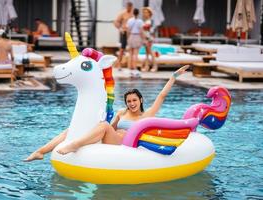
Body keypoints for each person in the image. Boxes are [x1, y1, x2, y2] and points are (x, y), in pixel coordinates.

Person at [24, 65, 190, 162]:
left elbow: (162, 96)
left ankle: (75, 145)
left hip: (125, 143)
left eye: (134, 100)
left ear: (140, 100)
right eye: (129, 101)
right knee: (73, 129)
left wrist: (174, 76)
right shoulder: (121, 112)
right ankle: (41, 151)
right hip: (113, 137)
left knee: (102, 125)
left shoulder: (147, 115)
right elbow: (109, 128)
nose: (131, 104)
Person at [114, 2, 133, 71]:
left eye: (130, 7)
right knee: (122, 49)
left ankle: (130, 65)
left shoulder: (133, 13)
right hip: (124, 32)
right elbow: (116, 22)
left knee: (132, 49)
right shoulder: (122, 13)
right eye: (128, 7)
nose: (129, 8)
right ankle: (119, 64)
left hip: (131, 33)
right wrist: (120, 28)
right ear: (126, 7)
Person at [126, 8, 144, 77]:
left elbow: (128, 30)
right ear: (138, 13)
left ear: (133, 13)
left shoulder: (130, 20)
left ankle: (130, 68)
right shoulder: (140, 21)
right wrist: (143, 39)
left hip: (131, 36)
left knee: (130, 53)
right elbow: (141, 31)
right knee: (136, 54)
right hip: (137, 36)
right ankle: (135, 68)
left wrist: (128, 38)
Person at [141, 7, 158, 72]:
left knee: (151, 52)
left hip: (149, 39)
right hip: (146, 38)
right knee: (147, 53)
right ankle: (146, 66)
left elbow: (149, 31)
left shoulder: (150, 21)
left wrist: (148, 38)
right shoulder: (146, 21)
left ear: (149, 14)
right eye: (144, 12)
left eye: (146, 12)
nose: (144, 14)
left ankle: (155, 66)